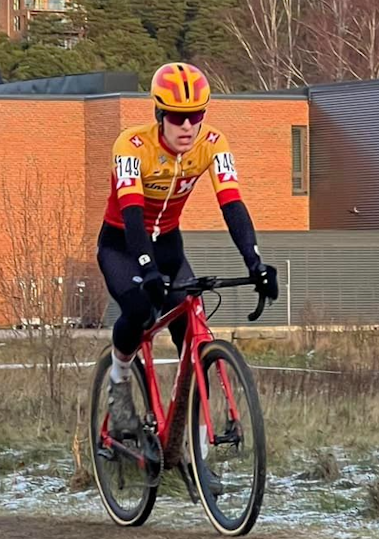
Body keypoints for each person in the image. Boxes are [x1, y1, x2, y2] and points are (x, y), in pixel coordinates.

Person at [98, 61, 279, 437]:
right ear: (159, 114)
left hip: (168, 245)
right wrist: (146, 267)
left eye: (195, 116)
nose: (187, 126)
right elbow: (131, 212)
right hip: (122, 244)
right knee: (138, 310)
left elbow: (231, 204)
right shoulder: (131, 146)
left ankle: (198, 455)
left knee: (194, 339)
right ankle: (118, 378)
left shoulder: (213, 144)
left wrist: (255, 261)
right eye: (178, 117)